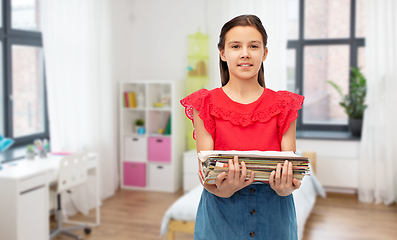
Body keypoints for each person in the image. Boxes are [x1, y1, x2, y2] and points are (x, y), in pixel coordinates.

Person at [181, 14, 304, 239]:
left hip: (274, 217)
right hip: (220, 218)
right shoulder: (204, 104)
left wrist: (284, 187)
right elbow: (205, 174)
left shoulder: (285, 105)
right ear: (222, 53)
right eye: (236, 46)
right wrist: (225, 190)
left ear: (264, 53)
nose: (245, 53)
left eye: (253, 46)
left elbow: (290, 177)